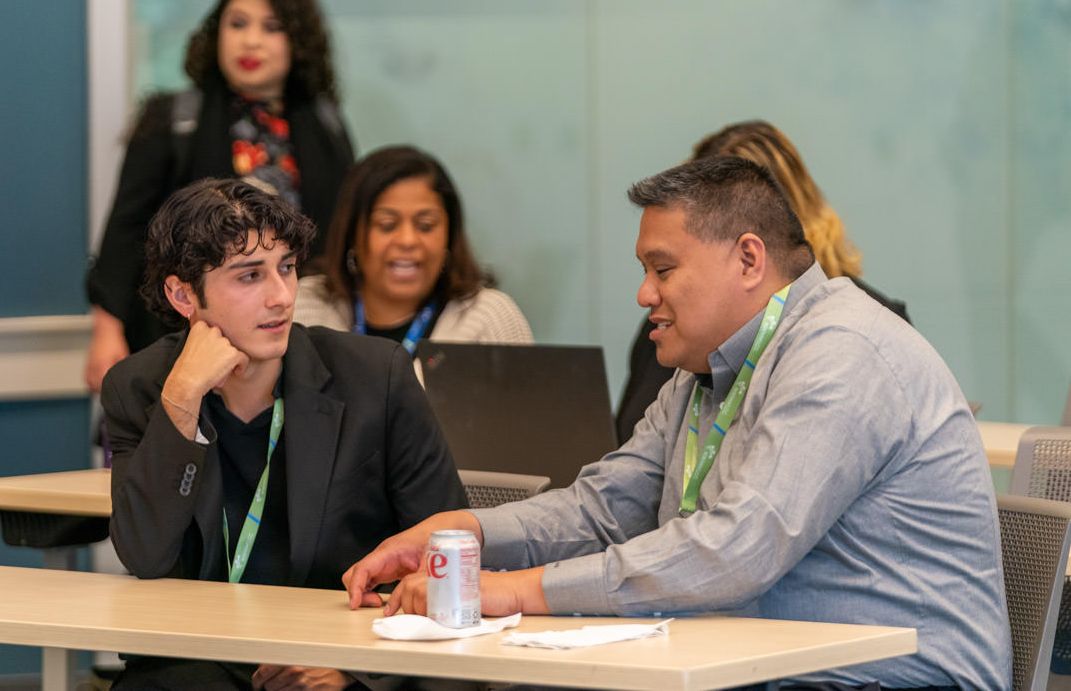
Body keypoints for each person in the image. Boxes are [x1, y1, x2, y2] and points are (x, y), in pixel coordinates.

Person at [344, 157, 1010, 691]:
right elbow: (601, 511)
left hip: (897, 675)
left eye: (662, 269)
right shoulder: (702, 373)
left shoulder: (840, 352)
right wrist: (466, 532)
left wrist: (510, 591)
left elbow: (735, 549)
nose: (644, 295)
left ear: (749, 260)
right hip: (756, 663)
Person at [102, 178, 466, 690]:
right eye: (249, 276)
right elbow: (145, 554)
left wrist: (354, 668)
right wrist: (180, 403)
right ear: (183, 294)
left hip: (339, 653)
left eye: (287, 268)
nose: (281, 297)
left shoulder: (374, 376)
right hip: (198, 660)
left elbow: (446, 554)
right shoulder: (140, 387)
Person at [86, 0, 355, 393]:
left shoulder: (324, 124)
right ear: (216, 36)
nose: (251, 40)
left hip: (293, 335)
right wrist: (107, 331)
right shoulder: (173, 119)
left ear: (298, 43)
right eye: (237, 24)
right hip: (182, 337)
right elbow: (125, 232)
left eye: (271, 27)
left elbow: (341, 231)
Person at [615, 120, 910, 442]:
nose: (647, 295)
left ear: (750, 255)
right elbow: (627, 454)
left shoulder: (857, 334)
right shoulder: (672, 327)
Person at [294, 145, 533, 353]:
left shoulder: (489, 318)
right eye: (387, 225)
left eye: (425, 226)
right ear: (352, 235)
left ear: (449, 235)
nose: (408, 240)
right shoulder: (305, 308)